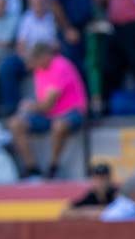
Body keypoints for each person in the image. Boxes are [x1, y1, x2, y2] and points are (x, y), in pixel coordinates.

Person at [8, 42, 88, 179]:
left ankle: (53, 167)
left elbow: (47, 104)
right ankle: (32, 169)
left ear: (44, 57)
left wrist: (29, 106)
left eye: (34, 60)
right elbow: (44, 105)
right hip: (49, 115)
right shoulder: (39, 70)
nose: (32, 65)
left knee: (59, 125)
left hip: (72, 112)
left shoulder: (61, 66)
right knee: (15, 124)